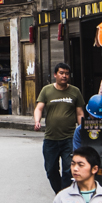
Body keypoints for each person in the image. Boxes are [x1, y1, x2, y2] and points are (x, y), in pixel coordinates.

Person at [35, 63, 84, 193]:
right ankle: (60, 192)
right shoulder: (47, 90)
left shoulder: (75, 91)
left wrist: (82, 129)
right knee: (51, 170)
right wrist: (37, 121)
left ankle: (65, 194)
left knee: (69, 169)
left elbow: (80, 113)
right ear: (55, 75)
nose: (64, 76)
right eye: (61, 73)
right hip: (51, 138)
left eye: (67, 73)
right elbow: (39, 108)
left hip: (69, 138)